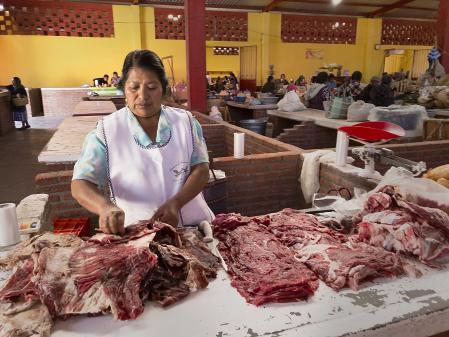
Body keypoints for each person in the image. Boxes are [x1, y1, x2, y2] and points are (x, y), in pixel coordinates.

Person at [71, 50, 213, 234]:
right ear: (124, 90)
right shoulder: (107, 132)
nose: (143, 96)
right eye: (134, 88)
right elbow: (81, 182)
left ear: (163, 89)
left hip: (194, 227)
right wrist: (104, 207)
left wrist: (176, 203)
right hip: (138, 233)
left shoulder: (186, 122)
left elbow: (201, 169)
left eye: (152, 87)